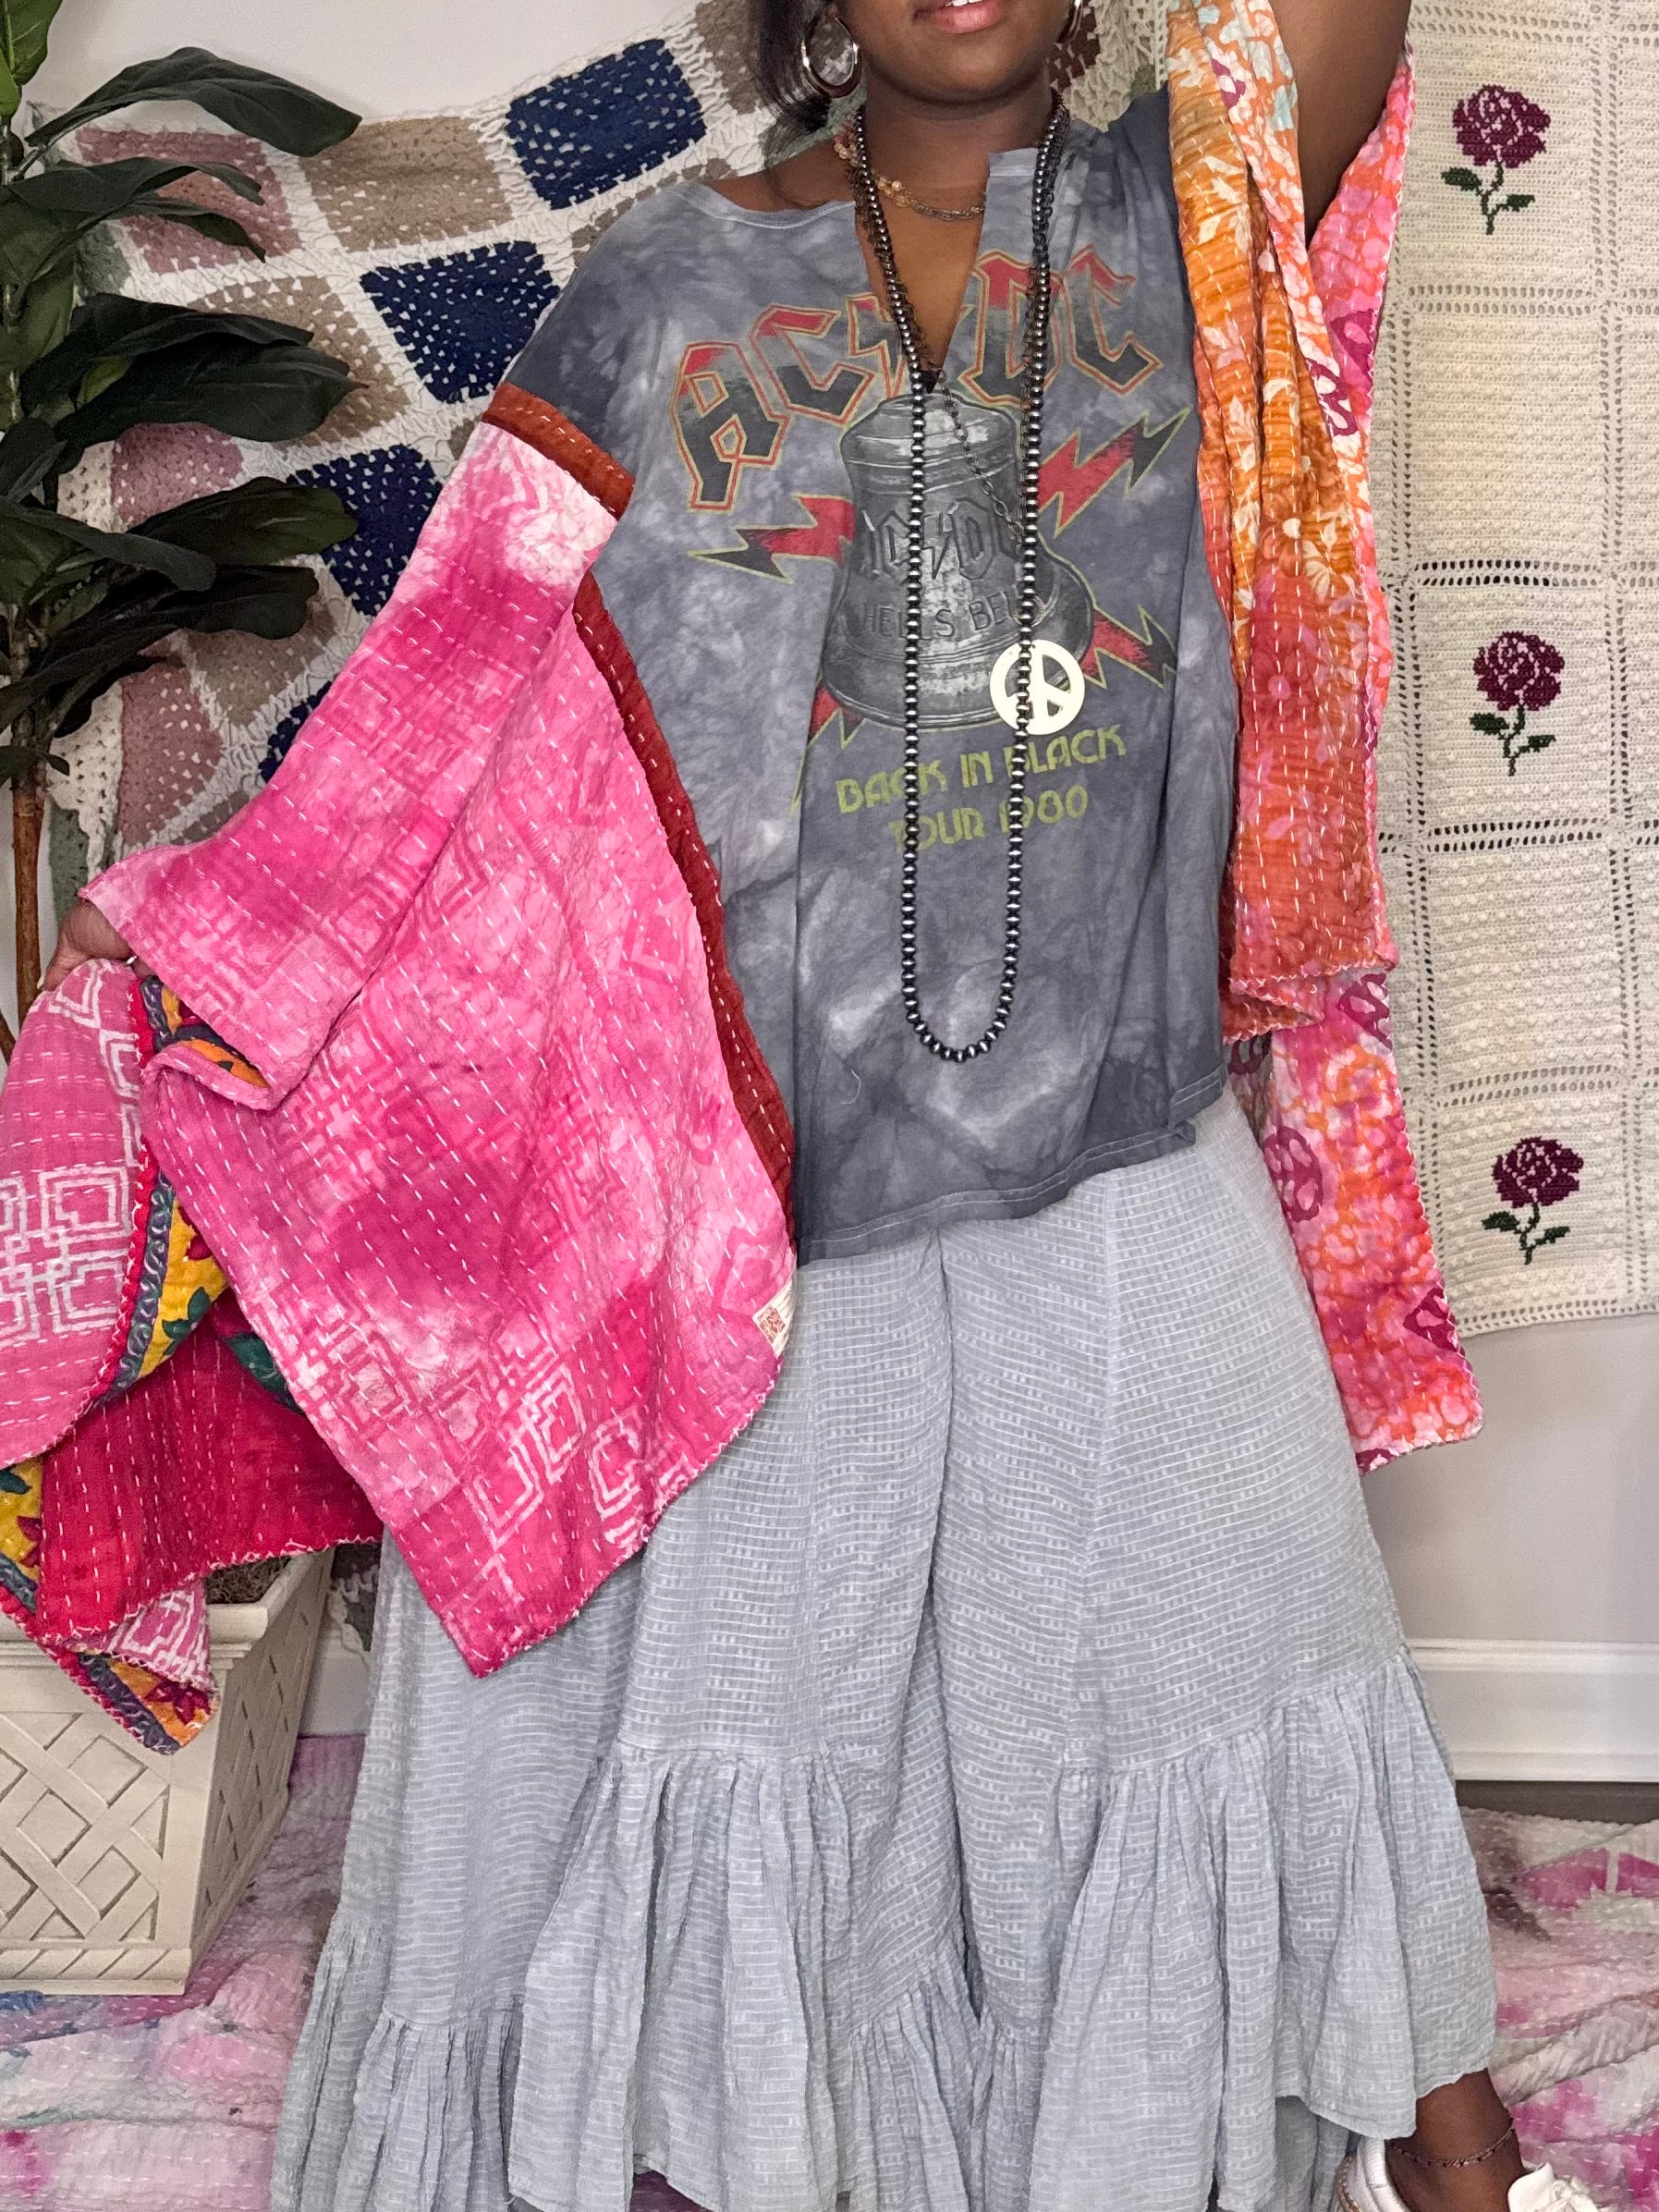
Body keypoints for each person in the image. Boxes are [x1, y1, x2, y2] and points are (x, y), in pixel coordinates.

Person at [43, 1, 1599, 2209]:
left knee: (1263, 1628)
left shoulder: (1193, 214)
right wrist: (215, 947)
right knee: (728, 1732)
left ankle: (1449, 2149)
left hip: (1114, 1116)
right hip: (754, 1179)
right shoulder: (665, 289)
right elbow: (454, 689)